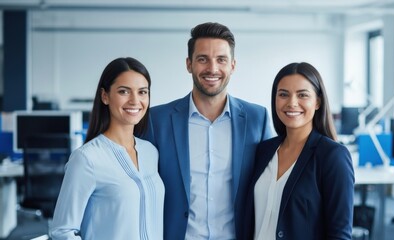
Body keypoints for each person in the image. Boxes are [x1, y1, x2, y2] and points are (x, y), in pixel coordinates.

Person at [145, 22, 273, 240]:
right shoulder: (157, 120)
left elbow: (270, 184)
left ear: (232, 65)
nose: (212, 69)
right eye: (202, 59)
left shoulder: (256, 118)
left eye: (221, 60)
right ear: (189, 64)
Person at [49, 57, 164, 240]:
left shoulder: (150, 152)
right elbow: (62, 232)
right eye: (124, 91)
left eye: (142, 92)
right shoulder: (87, 159)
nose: (135, 100)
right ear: (105, 96)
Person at [242, 62, 355, 239]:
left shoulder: (332, 155)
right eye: (283, 94)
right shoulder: (264, 150)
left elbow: (339, 233)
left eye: (302, 95)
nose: (292, 103)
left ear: (317, 101)